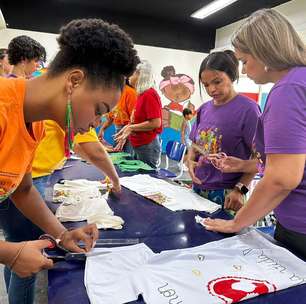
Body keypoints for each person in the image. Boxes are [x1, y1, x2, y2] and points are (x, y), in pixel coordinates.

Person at [0, 18, 138, 304]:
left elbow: (23, 190)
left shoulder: (35, 123)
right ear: (74, 81)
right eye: (99, 110)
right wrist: (8, 253)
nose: (95, 122)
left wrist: (62, 235)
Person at [203, 9, 306, 259]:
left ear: (264, 53)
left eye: (245, 61)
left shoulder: (288, 90)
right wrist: (249, 164)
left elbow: (283, 178)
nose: (244, 70)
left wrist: (237, 222)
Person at [187, 50, 260, 210]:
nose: (211, 89)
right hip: (198, 187)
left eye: (217, 82)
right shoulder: (204, 109)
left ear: (232, 76)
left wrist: (240, 189)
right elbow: (195, 144)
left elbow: (260, 160)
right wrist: (190, 160)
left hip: (229, 194)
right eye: (206, 85)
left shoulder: (249, 110)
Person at [115, 61, 162, 169]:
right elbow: (138, 120)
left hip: (147, 145)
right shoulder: (141, 94)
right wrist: (127, 127)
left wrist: (131, 127)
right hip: (139, 144)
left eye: (132, 73)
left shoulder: (149, 94)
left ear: (140, 75)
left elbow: (156, 123)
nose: (128, 77)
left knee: (146, 177)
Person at [98, 80, 137, 153]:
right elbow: (111, 117)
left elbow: (134, 120)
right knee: (118, 154)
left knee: (128, 157)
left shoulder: (130, 92)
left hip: (130, 131)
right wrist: (102, 129)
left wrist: (124, 135)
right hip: (118, 130)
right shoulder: (111, 93)